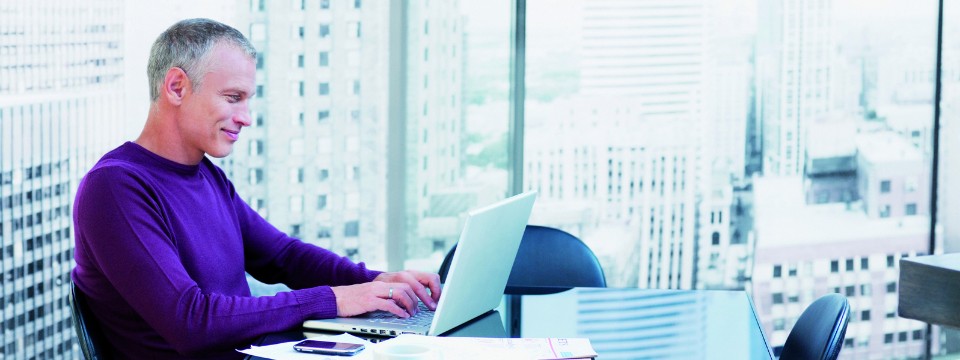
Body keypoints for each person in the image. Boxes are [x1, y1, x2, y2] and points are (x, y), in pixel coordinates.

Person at [71, 18, 440, 359]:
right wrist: (332, 299)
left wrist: (377, 282)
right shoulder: (115, 188)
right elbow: (191, 320)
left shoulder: (206, 176)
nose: (246, 117)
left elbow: (283, 256)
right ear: (177, 87)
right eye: (233, 98)